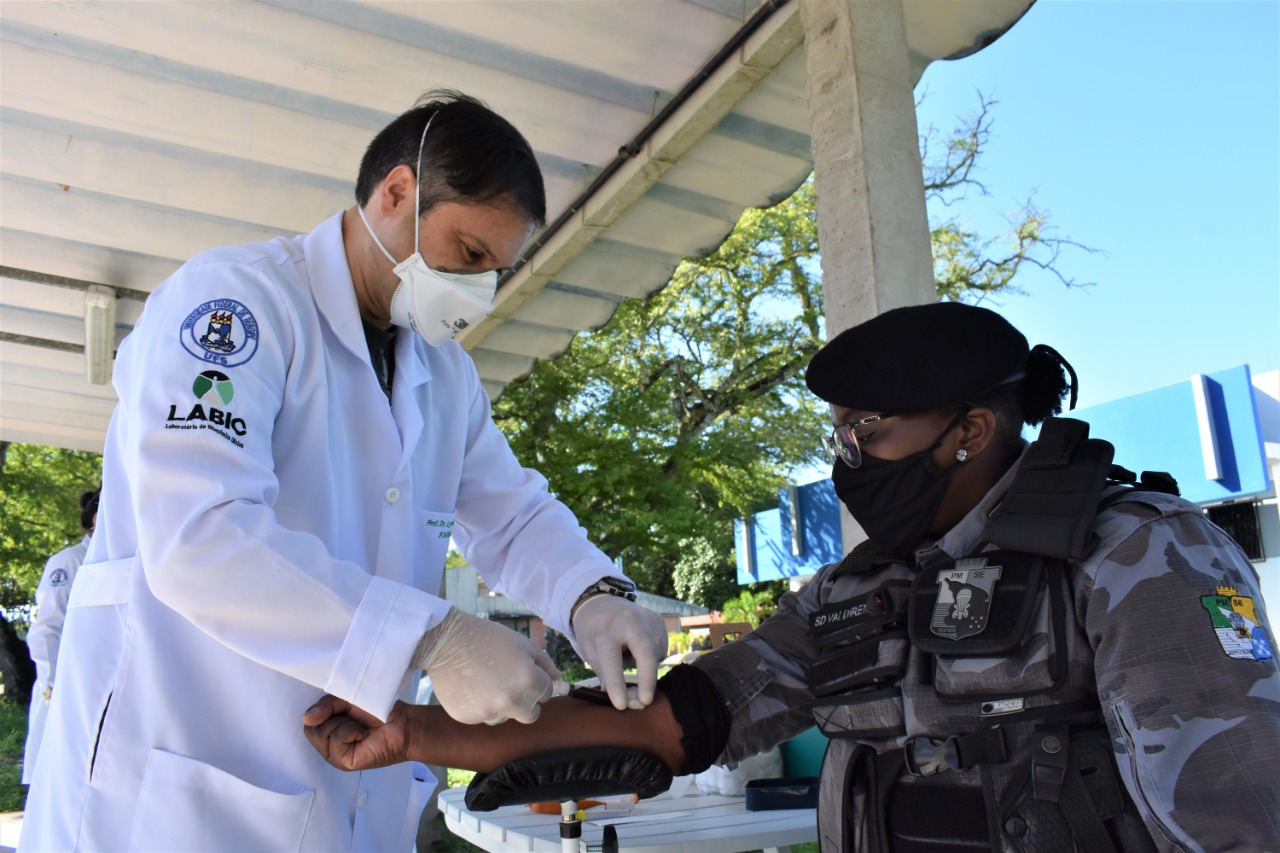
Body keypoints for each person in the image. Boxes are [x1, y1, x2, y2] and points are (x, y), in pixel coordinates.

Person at [305, 302, 1280, 852]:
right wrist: (417, 731)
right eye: (839, 433)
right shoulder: (860, 591)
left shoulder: (1136, 552)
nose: (848, 456)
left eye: (871, 432)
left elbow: (1235, 815)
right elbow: (667, 723)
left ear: (970, 431)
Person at [21, 90, 667, 852]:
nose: (476, 293)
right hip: (177, 792)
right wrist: (434, 637)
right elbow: (198, 536)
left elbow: (512, 512)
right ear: (396, 193)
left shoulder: (442, 372)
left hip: (344, 797)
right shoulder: (236, 305)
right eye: (467, 255)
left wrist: (594, 594)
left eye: (493, 271)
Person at [21, 488, 99, 786]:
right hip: (65, 693)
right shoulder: (68, 562)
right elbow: (46, 632)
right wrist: (53, 687)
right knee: (59, 784)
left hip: (95, 694)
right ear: (96, 517)